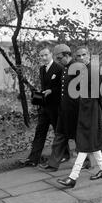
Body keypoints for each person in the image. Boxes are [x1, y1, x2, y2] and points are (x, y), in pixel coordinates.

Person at [57, 47, 102, 188]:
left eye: (84, 55)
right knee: (90, 142)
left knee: (84, 144)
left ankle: (73, 177)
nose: (81, 57)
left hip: (92, 112)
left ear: (89, 56)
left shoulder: (93, 71)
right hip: (83, 111)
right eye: (78, 55)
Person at [39, 44, 90, 172]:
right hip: (64, 110)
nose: (58, 61)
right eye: (56, 58)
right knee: (59, 135)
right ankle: (53, 164)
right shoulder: (66, 67)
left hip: (75, 110)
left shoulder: (76, 67)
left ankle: (86, 161)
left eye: (59, 58)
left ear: (67, 55)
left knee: (78, 138)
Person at [19, 47, 62, 167]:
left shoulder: (59, 68)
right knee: (39, 132)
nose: (44, 58)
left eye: (46, 55)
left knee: (59, 133)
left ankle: (65, 154)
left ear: (51, 54)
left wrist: (52, 91)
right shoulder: (42, 69)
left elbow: (63, 88)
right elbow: (44, 87)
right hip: (44, 107)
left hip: (55, 108)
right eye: (41, 56)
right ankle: (33, 159)